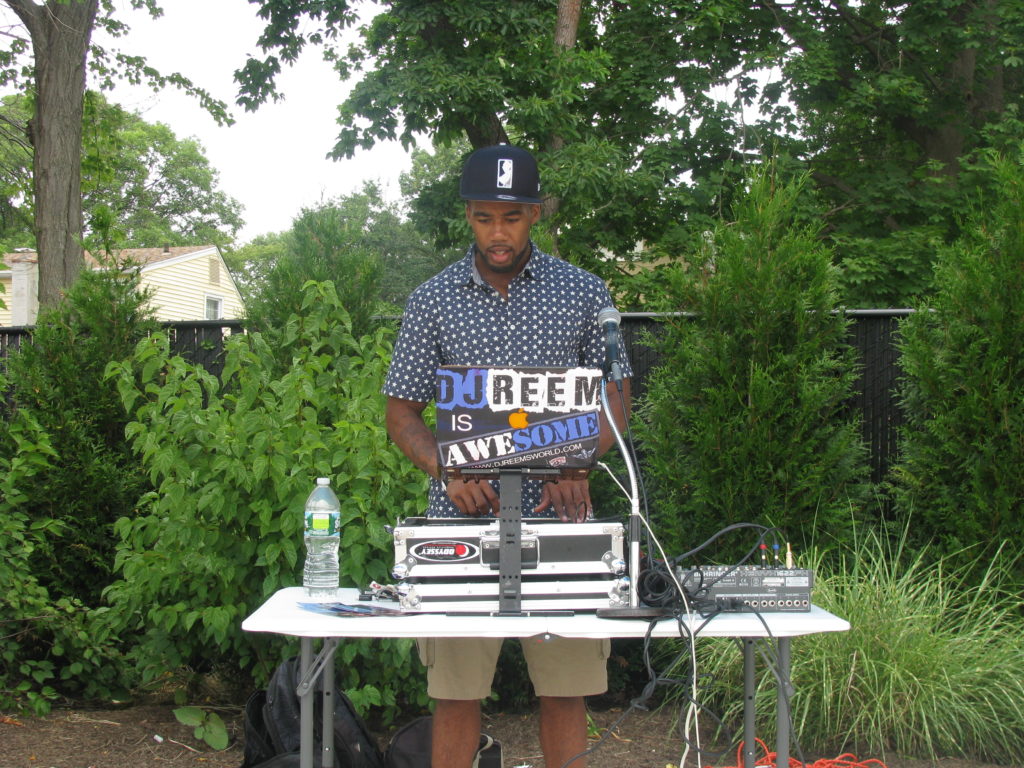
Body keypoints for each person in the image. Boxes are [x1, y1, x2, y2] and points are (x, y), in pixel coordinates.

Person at [383, 144, 632, 768]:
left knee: (566, 689)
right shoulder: (432, 299)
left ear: (536, 213)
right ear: (468, 215)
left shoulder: (583, 292)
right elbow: (400, 413)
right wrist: (448, 466)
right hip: (460, 523)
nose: (498, 233)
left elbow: (617, 399)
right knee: (456, 692)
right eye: (485, 218)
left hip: (560, 519)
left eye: (512, 218)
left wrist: (578, 463)